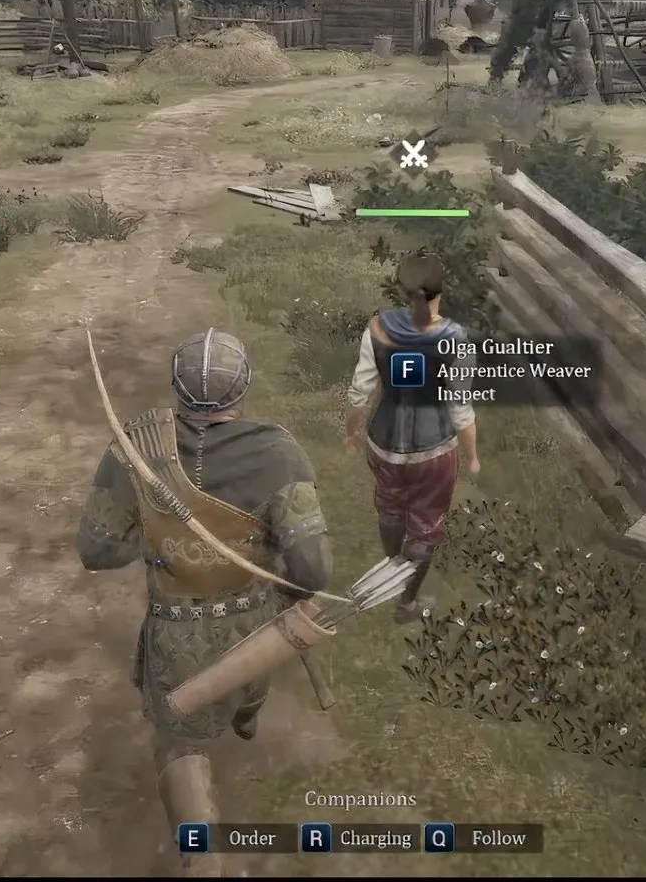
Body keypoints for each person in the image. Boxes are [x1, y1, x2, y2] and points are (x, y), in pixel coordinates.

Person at [76, 328, 333, 876]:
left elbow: (97, 550)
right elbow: (314, 571)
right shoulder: (278, 452)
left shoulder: (132, 452)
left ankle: (204, 855)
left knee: (177, 740)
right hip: (256, 629)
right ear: (244, 389)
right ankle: (244, 715)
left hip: (176, 632)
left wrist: (159, 534)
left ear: (175, 387)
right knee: (245, 687)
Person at [344, 251, 479, 623]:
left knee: (389, 506)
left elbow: (359, 392)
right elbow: (460, 408)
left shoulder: (377, 328)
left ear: (404, 290)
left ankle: (392, 566)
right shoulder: (455, 336)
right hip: (433, 452)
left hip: (383, 444)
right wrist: (472, 455)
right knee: (425, 523)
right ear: (440, 290)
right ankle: (405, 603)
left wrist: (352, 436)